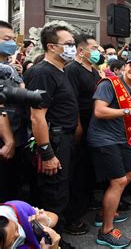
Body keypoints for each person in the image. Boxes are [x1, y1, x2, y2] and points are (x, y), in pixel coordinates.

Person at [24, 24, 79, 249]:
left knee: (61, 192)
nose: (72, 48)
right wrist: (47, 153)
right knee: (52, 195)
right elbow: (37, 117)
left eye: (73, 44)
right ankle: (49, 242)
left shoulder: (61, 70)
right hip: (52, 143)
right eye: (68, 44)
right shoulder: (43, 73)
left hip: (64, 140)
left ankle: (56, 239)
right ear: (51, 46)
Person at [87, 57, 131, 248]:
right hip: (104, 139)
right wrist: (130, 110)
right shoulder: (109, 84)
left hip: (121, 138)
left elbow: (126, 114)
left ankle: (103, 213)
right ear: (124, 67)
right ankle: (106, 231)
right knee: (119, 181)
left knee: (129, 174)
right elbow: (99, 111)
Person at [63, 34, 102, 235]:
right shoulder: (72, 71)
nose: (98, 51)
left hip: (94, 125)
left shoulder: (94, 71)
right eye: (94, 48)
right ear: (81, 51)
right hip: (80, 124)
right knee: (76, 169)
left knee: (88, 166)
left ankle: (87, 199)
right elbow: (73, 102)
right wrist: (77, 125)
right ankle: (73, 213)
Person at [0, 21, 28, 203]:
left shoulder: (9, 67)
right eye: (6, 39)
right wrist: (8, 139)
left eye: (12, 39)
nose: (11, 43)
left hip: (18, 135)